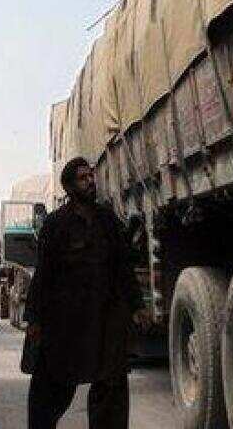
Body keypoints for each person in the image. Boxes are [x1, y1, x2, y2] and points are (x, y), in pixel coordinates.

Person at [24, 157, 146, 429]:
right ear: (68, 186)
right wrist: (34, 319)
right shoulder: (56, 224)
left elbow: (122, 265)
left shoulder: (107, 219)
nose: (91, 182)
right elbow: (43, 273)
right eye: (83, 178)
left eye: (91, 176)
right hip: (66, 319)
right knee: (53, 383)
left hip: (105, 317)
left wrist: (137, 306)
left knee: (111, 382)